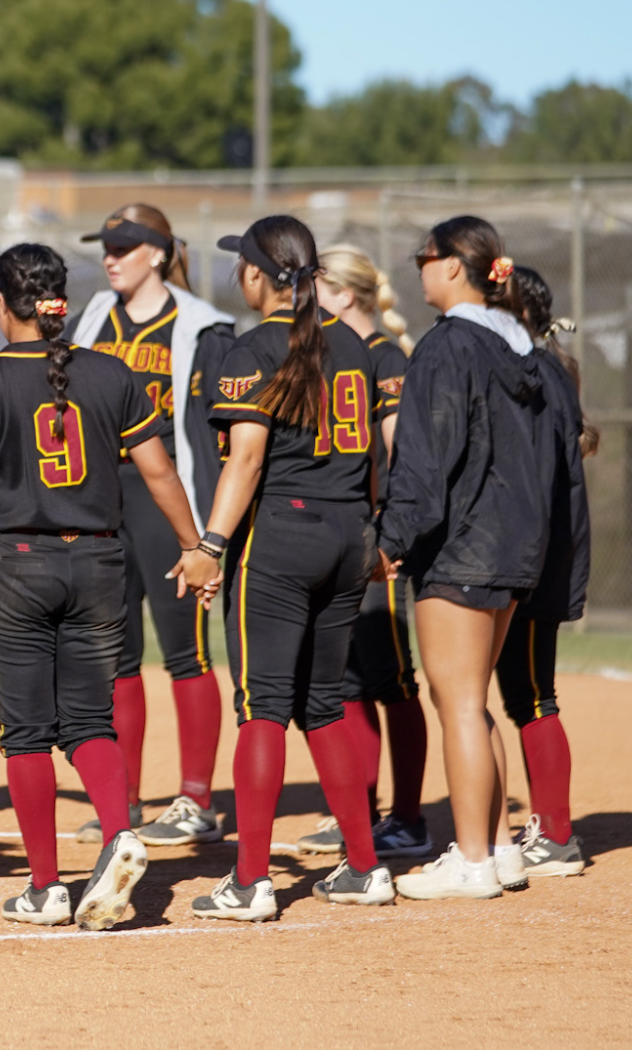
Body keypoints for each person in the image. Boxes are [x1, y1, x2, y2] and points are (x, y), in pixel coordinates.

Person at [0, 244, 217, 929]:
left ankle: (47, 884)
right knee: (89, 721)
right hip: (100, 562)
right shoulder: (113, 373)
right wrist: (196, 546)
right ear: (60, 303)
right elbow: (161, 472)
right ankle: (119, 832)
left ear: (3, 303)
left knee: (25, 731)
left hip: (19, 563)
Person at [191, 216, 398, 921]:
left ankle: (250, 881)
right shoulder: (356, 343)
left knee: (263, 708)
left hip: (281, 533)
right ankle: (366, 866)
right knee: (325, 705)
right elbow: (379, 454)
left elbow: (246, 459)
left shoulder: (252, 346)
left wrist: (210, 545)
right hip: (350, 532)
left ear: (259, 274)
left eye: (241, 265)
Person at [380, 216, 550, 901]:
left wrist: (390, 539)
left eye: (426, 256)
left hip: (461, 547)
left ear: (455, 265)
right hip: (513, 544)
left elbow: (425, 457)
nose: (419, 266)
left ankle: (473, 857)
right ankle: (502, 849)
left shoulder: (446, 345)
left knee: (457, 704)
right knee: (472, 703)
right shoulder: (520, 345)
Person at [69, 203, 235, 846]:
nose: (110, 255)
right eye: (106, 246)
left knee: (186, 651)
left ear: (159, 254)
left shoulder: (201, 326)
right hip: (101, 498)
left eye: (125, 245)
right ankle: (126, 799)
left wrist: (210, 527)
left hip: (170, 499)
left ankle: (196, 799)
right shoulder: (92, 318)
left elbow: (219, 430)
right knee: (116, 656)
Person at [295, 246, 432, 860]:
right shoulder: (324, 354)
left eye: (315, 283)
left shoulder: (384, 356)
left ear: (345, 294)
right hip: (338, 538)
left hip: (377, 542)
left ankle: (409, 818)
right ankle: (358, 811)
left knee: (393, 680)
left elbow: (402, 454)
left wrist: (391, 533)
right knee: (344, 681)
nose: (305, 293)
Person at [494, 266, 593, 879]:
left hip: (534, 552)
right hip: (534, 549)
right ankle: (549, 826)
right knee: (526, 693)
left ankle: (556, 834)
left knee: (533, 694)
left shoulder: (536, 369)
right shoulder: (544, 365)